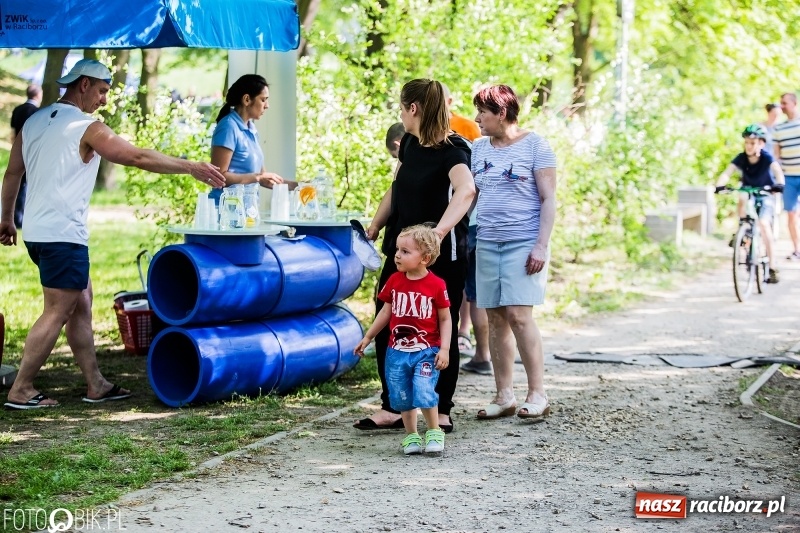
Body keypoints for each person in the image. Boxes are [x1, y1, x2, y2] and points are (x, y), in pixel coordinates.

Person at [0, 59, 225, 409]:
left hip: (40, 233)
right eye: (103, 90)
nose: (104, 99)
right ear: (84, 84)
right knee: (58, 310)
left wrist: (7, 219)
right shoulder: (86, 126)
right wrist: (190, 167)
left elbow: (12, 174)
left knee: (82, 301)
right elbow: (135, 157)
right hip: (63, 235)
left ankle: (96, 384)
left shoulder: (34, 122)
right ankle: (22, 388)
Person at [354, 78, 475, 433]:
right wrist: (375, 226)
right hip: (400, 248)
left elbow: (467, 190)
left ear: (413, 109)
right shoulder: (408, 142)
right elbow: (397, 187)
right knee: (389, 321)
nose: (400, 114)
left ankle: (443, 407)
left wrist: (437, 233)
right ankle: (393, 406)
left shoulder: (454, 148)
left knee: (440, 325)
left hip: (441, 258)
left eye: (401, 107)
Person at [470, 84, 557, 420]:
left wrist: (541, 245)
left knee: (520, 317)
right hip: (487, 240)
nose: (478, 119)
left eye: (483, 112)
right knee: (495, 319)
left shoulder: (536, 145)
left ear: (501, 113)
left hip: (524, 243)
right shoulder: (478, 148)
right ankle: (504, 395)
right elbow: (471, 195)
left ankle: (538, 394)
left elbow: (549, 199)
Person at [354, 224, 451, 455]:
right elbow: (385, 312)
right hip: (396, 353)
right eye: (398, 249)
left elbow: (446, 319)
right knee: (402, 394)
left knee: (424, 389)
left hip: (427, 350)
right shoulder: (395, 281)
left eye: (405, 251)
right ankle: (411, 436)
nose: (397, 254)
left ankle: (434, 431)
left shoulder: (436, 285)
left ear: (424, 258)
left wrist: (445, 348)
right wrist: (368, 337)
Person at [715, 124, 785, 283]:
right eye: (746, 142)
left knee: (764, 224)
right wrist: (719, 185)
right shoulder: (741, 157)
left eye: (752, 143)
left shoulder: (766, 157)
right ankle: (743, 229)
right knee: (742, 196)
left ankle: (772, 267)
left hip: (765, 192)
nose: (748, 146)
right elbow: (728, 172)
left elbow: (777, 171)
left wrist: (779, 184)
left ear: (761, 143)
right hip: (748, 191)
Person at [210, 74, 293, 206]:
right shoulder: (228, 127)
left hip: (247, 211)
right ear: (247, 99)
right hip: (226, 211)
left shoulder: (251, 128)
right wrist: (257, 178)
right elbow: (218, 176)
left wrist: (298, 186)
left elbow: (263, 177)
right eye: (263, 100)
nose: (267, 106)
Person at [8, 84, 42, 229]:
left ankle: (15, 215)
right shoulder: (37, 112)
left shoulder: (17, 109)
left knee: (18, 184)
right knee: (30, 185)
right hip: (31, 152)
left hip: (17, 151)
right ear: (37, 95)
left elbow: (12, 134)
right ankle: (23, 217)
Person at [774, 92, 800, 260]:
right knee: (791, 214)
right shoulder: (779, 129)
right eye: (780, 103)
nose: (781, 106)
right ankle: (797, 249)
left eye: (784, 103)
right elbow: (776, 156)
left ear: (794, 103)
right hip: (789, 177)